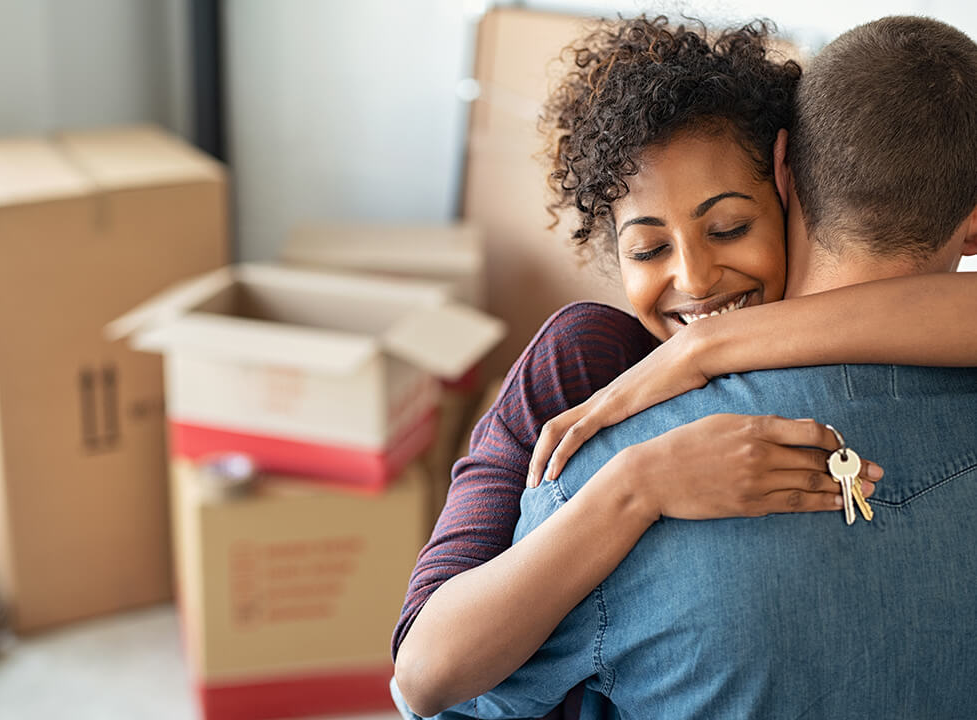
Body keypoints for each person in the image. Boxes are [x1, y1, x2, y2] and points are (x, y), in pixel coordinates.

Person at [404, 14, 977, 718]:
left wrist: (704, 350)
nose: (698, 280)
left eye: (730, 228)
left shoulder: (632, 427)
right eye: (648, 250)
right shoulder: (581, 380)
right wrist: (637, 485)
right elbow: (424, 674)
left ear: (782, 176)